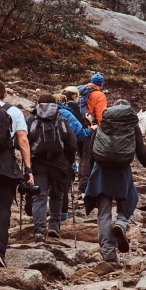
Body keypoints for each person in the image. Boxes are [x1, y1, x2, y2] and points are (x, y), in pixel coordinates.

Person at [83, 100, 146, 264]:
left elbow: (91, 153)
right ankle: (121, 224)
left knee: (104, 212)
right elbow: (140, 152)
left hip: (101, 172)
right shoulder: (132, 127)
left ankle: (108, 253)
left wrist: (89, 176)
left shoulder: (101, 126)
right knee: (129, 201)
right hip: (122, 172)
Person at [0, 80, 33, 267]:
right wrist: (28, 168)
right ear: (5, 94)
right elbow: (22, 139)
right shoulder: (15, 112)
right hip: (5, 164)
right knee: (3, 206)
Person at [26, 94, 77, 243]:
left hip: (38, 164)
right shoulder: (61, 118)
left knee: (39, 196)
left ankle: (39, 231)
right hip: (59, 164)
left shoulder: (31, 119)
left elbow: (20, 141)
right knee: (57, 194)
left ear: (38, 103)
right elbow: (72, 142)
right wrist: (68, 162)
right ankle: (54, 226)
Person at [55, 93, 92, 221]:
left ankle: (40, 219)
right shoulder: (66, 113)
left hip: (41, 158)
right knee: (63, 187)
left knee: (43, 189)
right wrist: (90, 127)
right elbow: (80, 133)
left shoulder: (36, 113)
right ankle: (62, 216)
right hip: (64, 157)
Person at [76, 74, 108, 189]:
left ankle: (81, 180)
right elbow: (100, 115)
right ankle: (85, 184)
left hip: (78, 128)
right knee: (87, 156)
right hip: (91, 128)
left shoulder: (80, 92)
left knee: (81, 155)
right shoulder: (99, 95)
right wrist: (102, 129)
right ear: (101, 84)